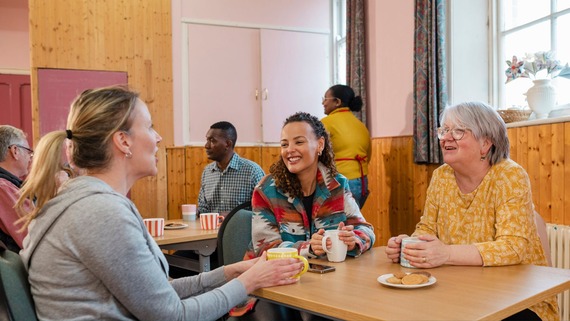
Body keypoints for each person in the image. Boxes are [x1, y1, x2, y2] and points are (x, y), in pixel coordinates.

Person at [15, 86, 303, 321]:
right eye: (150, 127)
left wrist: (231, 272)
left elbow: (156, 294)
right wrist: (249, 283)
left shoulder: (86, 201)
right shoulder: (100, 212)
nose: (158, 137)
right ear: (123, 142)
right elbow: (171, 315)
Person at [384, 102, 558, 321]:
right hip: (461, 291)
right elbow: (427, 229)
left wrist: (445, 253)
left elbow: (514, 248)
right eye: (444, 130)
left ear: (486, 143)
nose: (446, 137)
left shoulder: (509, 175)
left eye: (458, 131)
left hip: (518, 297)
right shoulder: (441, 177)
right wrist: (410, 247)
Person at [249, 112, 375, 259]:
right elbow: (265, 248)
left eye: (299, 142)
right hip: (274, 277)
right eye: (284, 144)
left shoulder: (337, 185)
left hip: (323, 276)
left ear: (320, 145)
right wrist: (308, 247)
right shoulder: (266, 190)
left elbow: (366, 229)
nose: (289, 150)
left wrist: (354, 239)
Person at [321, 84, 371, 208]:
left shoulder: (325, 123)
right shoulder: (360, 125)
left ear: (337, 102)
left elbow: (314, 152)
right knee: (353, 222)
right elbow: (368, 155)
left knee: (339, 225)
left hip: (340, 181)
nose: (323, 103)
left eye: (325, 99)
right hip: (362, 182)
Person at [198, 121, 265, 214]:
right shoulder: (207, 172)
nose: (206, 145)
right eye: (207, 140)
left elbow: (265, 211)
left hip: (242, 228)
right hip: (210, 228)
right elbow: (202, 209)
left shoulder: (252, 171)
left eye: (212, 140)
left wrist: (235, 217)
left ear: (228, 144)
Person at [0, 125, 33, 251]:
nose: (30, 157)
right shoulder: (3, 188)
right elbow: (33, 237)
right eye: (28, 151)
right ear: (15, 151)